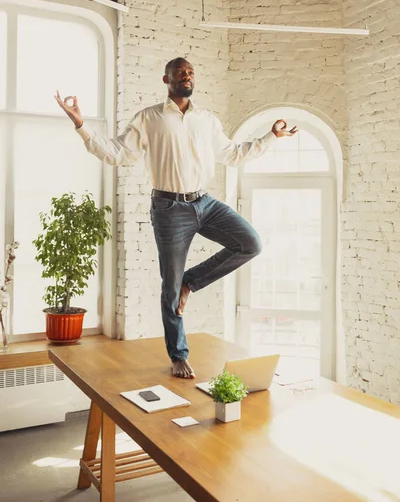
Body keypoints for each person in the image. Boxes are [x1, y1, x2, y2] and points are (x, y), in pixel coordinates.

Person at [56, 57, 297, 379]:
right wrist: (80, 124)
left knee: (250, 243)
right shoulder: (149, 118)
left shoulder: (207, 120)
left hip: (205, 202)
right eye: (180, 72)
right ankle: (178, 355)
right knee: (169, 288)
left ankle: (190, 281)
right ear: (166, 79)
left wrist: (271, 137)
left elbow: (234, 155)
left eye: (191, 72)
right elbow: (116, 154)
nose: (187, 76)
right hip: (169, 210)